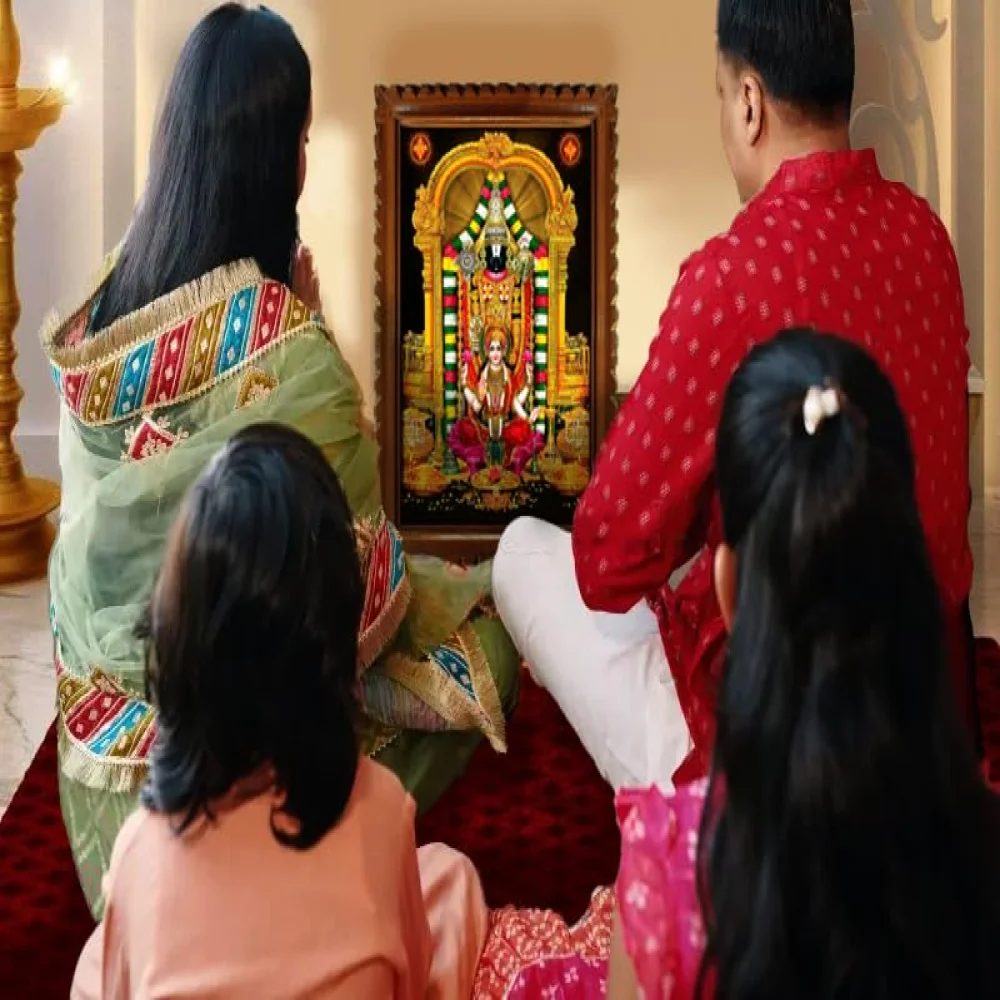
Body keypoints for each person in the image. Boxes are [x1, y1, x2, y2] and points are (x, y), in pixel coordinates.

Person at [43, 3, 518, 919]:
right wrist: (315, 336)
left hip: (115, 794)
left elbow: (95, 562)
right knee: (486, 645)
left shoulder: (106, 313)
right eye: (301, 138)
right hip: (254, 773)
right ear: (276, 160)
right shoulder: (285, 350)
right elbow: (360, 588)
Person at [493, 0, 976, 790]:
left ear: (749, 103)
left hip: (771, 753)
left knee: (521, 553)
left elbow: (605, 563)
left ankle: (689, 814)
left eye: (721, 96)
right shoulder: (928, 238)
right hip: (920, 713)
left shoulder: (731, 279)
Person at [606, 330, 1000, 999]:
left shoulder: (666, 875)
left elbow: (603, 558)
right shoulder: (984, 859)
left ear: (730, 586)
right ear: (910, 568)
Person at [70, 424, 489, 999]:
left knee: (96, 959)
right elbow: (409, 986)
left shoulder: (139, 850)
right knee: (450, 875)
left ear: (176, 643)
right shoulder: (382, 808)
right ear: (336, 641)